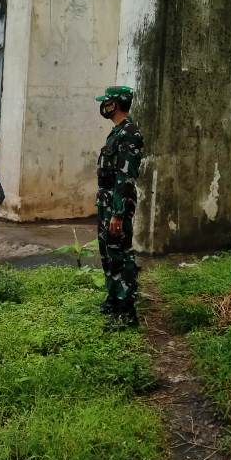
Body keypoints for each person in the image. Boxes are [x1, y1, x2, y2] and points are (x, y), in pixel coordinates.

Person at [95, 86, 144, 326]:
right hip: (107, 200)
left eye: (107, 102)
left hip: (118, 202)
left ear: (116, 104)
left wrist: (118, 212)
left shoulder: (129, 134)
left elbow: (125, 177)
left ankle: (127, 309)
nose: (104, 106)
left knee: (120, 253)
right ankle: (114, 298)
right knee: (107, 251)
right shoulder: (117, 132)